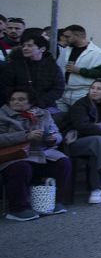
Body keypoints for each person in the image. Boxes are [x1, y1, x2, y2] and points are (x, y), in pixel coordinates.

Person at [0, 87, 72, 220]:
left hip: (41, 152)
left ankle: (55, 201)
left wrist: (54, 138)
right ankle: (18, 209)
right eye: (13, 100)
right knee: (21, 167)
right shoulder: (2, 115)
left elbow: (56, 132)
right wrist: (25, 136)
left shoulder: (43, 114)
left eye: (21, 99)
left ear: (31, 102)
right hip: (15, 155)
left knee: (63, 162)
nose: (16, 102)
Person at [0, 32, 64, 111]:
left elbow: (58, 89)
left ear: (42, 49)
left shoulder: (52, 67)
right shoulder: (14, 65)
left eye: (30, 46)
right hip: (17, 107)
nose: (25, 48)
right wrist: (20, 101)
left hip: (45, 106)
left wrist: (39, 102)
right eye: (23, 46)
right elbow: (6, 87)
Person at [56, 25, 101, 112]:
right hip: (63, 92)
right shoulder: (66, 49)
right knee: (60, 120)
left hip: (82, 93)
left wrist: (80, 70)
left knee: (78, 119)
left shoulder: (97, 52)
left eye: (67, 36)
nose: (65, 39)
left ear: (77, 36)